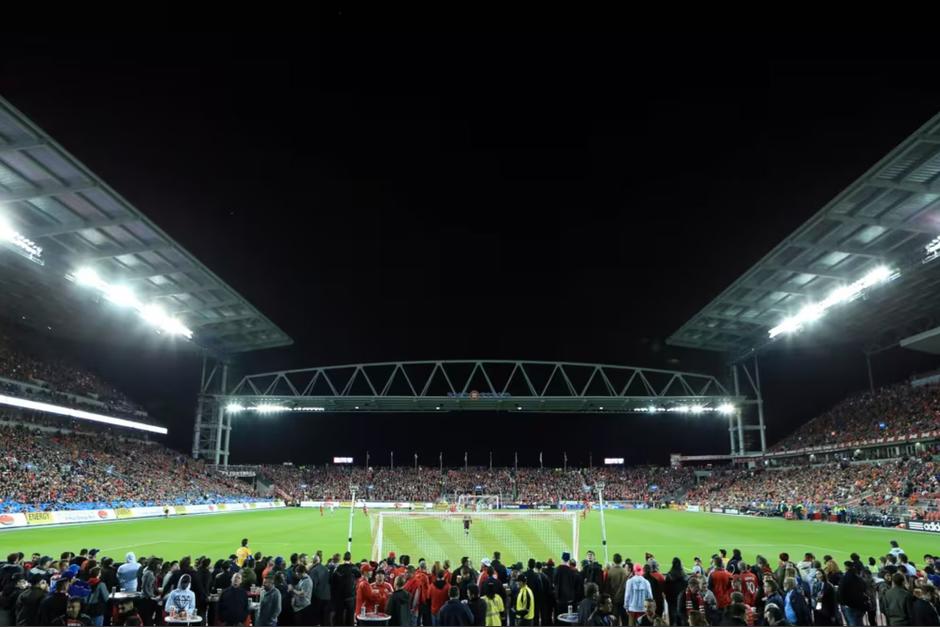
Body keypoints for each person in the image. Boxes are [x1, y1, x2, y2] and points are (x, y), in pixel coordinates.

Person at [330, 552, 359, 626]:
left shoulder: (339, 568)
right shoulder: (354, 567)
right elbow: (359, 575)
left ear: (343, 558)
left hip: (340, 597)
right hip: (350, 597)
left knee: (339, 616)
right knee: (350, 617)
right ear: (350, 558)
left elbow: (333, 581)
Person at [310, 554, 332, 626]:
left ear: (313, 561)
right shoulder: (325, 568)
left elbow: (313, 585)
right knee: (325, 618)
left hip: (318, 597)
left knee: (317, 619)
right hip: (327, 596)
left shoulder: (314, 570)